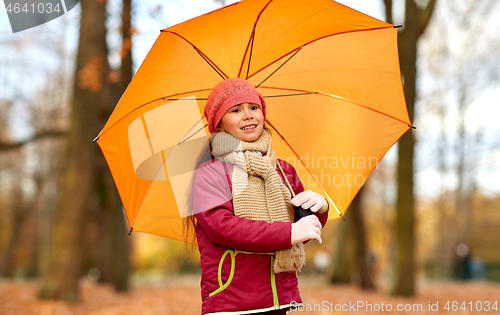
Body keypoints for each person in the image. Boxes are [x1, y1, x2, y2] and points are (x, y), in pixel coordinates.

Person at [189, 78, 329, 315]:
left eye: (253, 107)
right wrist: (288, 233)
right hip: (232, 301)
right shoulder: (210, 173)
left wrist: (319, 210)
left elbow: (301, 230)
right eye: (235, 110)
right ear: (219, 126)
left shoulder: (283, 170)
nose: (248, 115)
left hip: (279, 297)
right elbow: (221, 227)